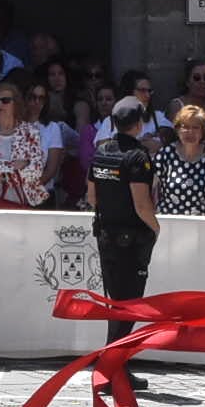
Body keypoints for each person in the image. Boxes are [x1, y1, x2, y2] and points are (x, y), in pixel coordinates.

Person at [89, 95, 160, 348]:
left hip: (107, 236)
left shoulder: (102, 152)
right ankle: (112, 366)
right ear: (139, 124)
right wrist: (155, 227)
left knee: (115, 305)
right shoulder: (138, 157)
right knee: (129, 306)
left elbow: (91, 196)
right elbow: (141, 204)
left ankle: (114, 366)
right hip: (131, 241)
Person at [0, 83, 47, 209]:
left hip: (22, 199)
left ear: (16, 105)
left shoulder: (31, 132)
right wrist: (16, 166)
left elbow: (36, 169)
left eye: (5, 100)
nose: (0, 104)